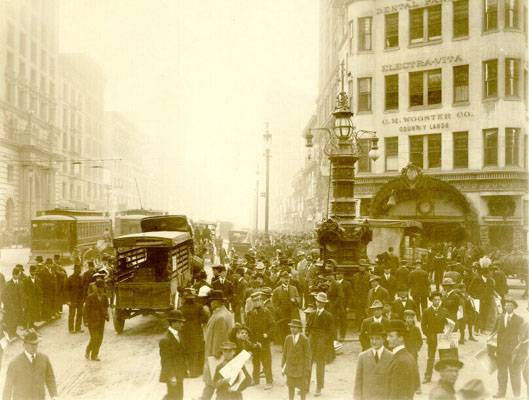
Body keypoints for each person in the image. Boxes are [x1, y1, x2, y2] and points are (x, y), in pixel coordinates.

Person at [2, 331, 58, 400]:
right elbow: (8, 386)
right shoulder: (14, 363)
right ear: (24, 345)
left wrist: (54, 395)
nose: (33, 347)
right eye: (31, 345)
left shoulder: (44, 359)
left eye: (35, 344)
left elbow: (50, 378)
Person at [201, 290, 235, 400]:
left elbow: (219, 341)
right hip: (220, 357)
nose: (210, 303)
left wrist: (213, 359)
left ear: (216, 302)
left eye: (211, 301)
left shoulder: (220, 317)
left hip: (216, 357)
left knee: (212, 383)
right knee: (213, 385)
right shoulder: (225, 313)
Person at [491, 297, 524, 399]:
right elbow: (493, 333)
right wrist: (491, 347)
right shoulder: (499, 318)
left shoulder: (519, 319)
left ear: (514, 307)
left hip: (514, 352)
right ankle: (501, 393)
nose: (507, 306)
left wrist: (520, 351)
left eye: (510, 305)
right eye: (506, 305)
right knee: (501, 374)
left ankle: (517, 395)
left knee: (515, 374)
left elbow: (522, 337)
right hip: (501, 351)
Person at [354, 322, 393, 400]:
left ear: (384, 339)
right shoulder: (362, 356)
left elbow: (393, 383)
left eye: (377, 338)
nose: (374, 342)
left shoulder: (391, 357)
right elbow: (358, 382)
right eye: (372, 338)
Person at [305, 292, 334, 397]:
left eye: (321, 302)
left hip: (321, 342)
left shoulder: (328, 316)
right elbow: (307, 326)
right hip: (311, 341)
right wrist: (308, 335)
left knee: (320, 365)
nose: (318, 303)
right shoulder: (312, 314)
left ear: (324, 304)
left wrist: (324, 341)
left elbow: (331, 332)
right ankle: (305, 386)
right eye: (317, 301)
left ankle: (319, 387)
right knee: (308, 363)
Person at [386, 319, 420, 400]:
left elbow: (397, 394)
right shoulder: (408, 356)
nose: (387, 339)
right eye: (387, 336)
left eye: (391, 336)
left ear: (401, 338)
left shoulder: (401, 361)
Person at [246, 291, 274, 389]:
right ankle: (255, 379)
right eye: (254, 301)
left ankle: (269, 381)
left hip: (264, 341)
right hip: (254, 341)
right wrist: (249, 340)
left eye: (258, 300)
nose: (256, 302)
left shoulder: (266, 312)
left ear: (261, 301)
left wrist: (267, 334)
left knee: (266, 361)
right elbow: (247, 328)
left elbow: (273, 326)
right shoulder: (250, 314)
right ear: (252, 302)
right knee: (255, 361)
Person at [159, 310, 188, 400]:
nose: (182, 325)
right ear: (173, 322)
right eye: (180, 322)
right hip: (173, 375)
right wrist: (171, 376)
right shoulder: (165, 340)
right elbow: (165, 361)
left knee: (178, 396)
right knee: (173, 396)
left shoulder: (178, 334)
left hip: (179, 373)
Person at [421, 292, 449, 384]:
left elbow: (448, 324)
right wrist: (428, 335)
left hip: (442, 337)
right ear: (431, 300)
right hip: (431, 338)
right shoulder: (426, 311)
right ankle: (427, 376)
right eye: (435, 300)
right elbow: (423, 326)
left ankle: (444, 377)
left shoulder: (444, 311)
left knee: (443, 357)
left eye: (438, 300)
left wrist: (447, 332)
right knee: (430, 358)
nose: (437, 301)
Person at [180, 291, 209, 377]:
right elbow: (205, 319)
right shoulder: (199, 307)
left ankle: (185, 372)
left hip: (184, 332)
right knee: (197, 350)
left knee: (186, 351)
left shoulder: (181, 308)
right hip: (196, 332)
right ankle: (196, 372)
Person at [282, 319, 311, 400]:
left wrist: (307, 369)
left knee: (302, 389)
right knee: (290, 388)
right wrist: (283, 366)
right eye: (291, 327)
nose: (292, 329)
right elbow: (285, 353)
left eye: (295, 327)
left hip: (300, 369)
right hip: (290, 368)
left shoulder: (304, 339)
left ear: (299, 329)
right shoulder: (288, 338)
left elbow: (308, 356)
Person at [83, 279, 109, 361]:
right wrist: (86, 321)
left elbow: (106, 307)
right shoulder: (90, 297)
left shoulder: (104, 297)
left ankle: (94, 355)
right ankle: (88, 350)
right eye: (100, 287)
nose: (102, 289)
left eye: (103, 287)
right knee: (95, 338)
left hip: (101, 321)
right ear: (97, 288)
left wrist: (107, 315)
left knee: (100, 339)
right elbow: (86, 310)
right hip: (92, 321)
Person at [272, 271, 300, 344]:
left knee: (294, 330)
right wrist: (279, 311)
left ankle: (295, 344)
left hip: (293, 313)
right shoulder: (276, 290)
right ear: (281, 279)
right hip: (282, 315)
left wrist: (295, 300)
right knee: (283, 330)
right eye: (284, 278)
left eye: (288, 278)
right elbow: (274, 304)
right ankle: (284, 346)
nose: (287, 280)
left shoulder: (294, 288)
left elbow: (298, 299)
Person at [326, 271, 352, 341]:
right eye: (336, 274)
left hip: (342, 306)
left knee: (343, 321)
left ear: (342, 275)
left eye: (339, 274)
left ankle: (342, 336)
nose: (337, 275)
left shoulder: (347, 284)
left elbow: (349, 296)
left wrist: (348, 306)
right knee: (333, 321)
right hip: (334, 306)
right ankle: (334, 337)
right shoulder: (332, 283)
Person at [2, 267, 25, 340]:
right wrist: (8, 305)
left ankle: (14, 332)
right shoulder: (8, 284)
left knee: (16, 319)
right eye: (18, 274)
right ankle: (10, 333)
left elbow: (22, 295)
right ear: (14, 275)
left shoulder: (21, 283)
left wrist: (23, 305)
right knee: (10, 320)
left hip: (18, 305)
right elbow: (4, 296)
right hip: (10, 306)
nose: (19, 276)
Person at [23, 265, 42, 333]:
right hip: (29, 300)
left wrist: (40, 299)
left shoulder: (38, 280)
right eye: (32, 271)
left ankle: (32, 325)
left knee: (35, 312)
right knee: (29, 313)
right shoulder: (25, 280)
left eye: (34, 271)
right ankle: (29, 326)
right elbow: (23, 291)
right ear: (30, 271)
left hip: (36, 300)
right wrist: (26, 298)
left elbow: (40, 290)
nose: (33, 273)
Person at [66, 264, 84, 334]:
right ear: (74, 270)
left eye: (79, 270)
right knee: (72, 314)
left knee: (80, 314)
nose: (78, 271)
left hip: (79, 300)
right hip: (72, 300)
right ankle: (71, 329)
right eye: (77, 270)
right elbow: (66, 290)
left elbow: (83, 289)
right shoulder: (70, 279)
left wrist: (83, 299)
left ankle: (78, 328)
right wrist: (68, 300)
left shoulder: (81, 278)